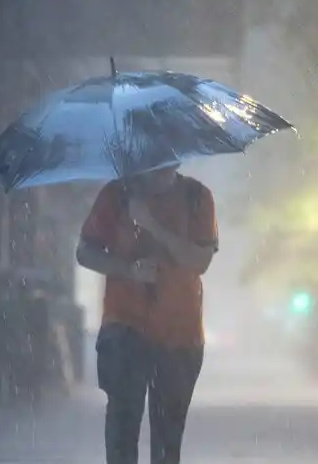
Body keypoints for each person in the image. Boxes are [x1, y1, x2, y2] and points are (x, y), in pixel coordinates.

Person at [76, 164, 218, 464]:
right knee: (121, 431)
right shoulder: (117, 195)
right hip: (124, 327)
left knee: (168, 439)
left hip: (180, 332)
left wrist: (151, 224)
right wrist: (128, 269)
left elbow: (200, 260)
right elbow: (86, 252)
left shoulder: (196, 196)